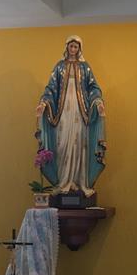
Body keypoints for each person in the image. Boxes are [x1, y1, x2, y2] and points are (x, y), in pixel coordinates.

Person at [36, 36, 106, 198]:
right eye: (71, 46)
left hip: (80, 112)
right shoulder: (59, 66)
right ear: (67, 47)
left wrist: (98, 102)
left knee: (79, 141)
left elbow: (93, 87)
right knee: (62, 143)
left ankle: (79, 182)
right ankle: (63, 182)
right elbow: (51, 88)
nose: (73, 49)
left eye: (76, 47)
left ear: (79, 49)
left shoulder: (85, 67)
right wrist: (44, 103)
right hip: (63, 111)